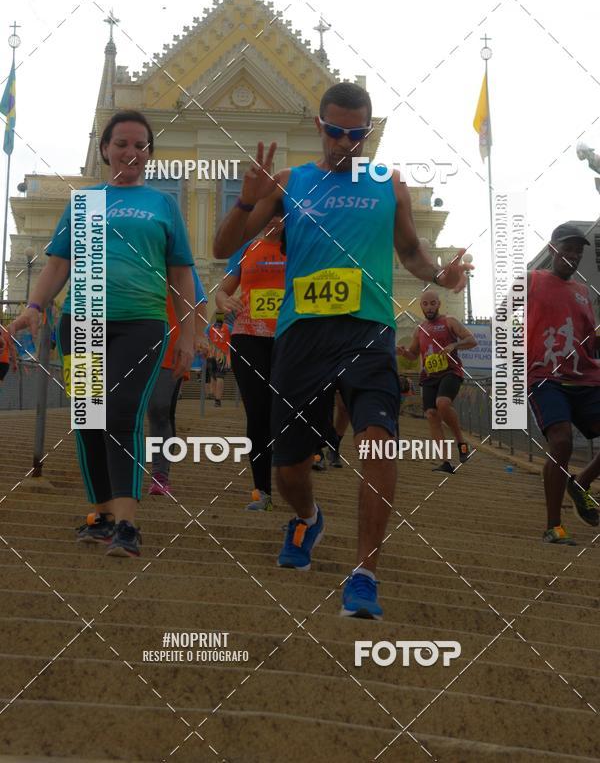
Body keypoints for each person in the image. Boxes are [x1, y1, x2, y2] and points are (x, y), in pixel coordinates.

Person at [213, 82, 470, 619]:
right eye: (335, 132)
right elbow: (221, 247)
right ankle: (306, 516)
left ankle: (365, 573)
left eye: (355, 135)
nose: (344, 144)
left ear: (368, 133)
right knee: (289, 466)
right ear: (319, 127)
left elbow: (412, 253)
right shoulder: (291, 182)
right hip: (301, 336)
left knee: (377, 441)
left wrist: (441, 275)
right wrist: (245, 199)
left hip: (366, 330)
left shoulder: (388, 185)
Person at [9, 110, 195, 558]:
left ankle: (128, 523)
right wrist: (34, 306)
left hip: (143, 321)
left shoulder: (162, 204)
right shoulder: (85, 201)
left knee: (122, 411)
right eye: (122, 144)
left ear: (149, 153)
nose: (131, 152)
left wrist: (188, 335)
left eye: (140, 145)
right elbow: (58, 262)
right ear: (105, 150)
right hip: (84, 318)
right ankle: (101, 515)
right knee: (89, 418)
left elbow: (181, 274)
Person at [528, 223, 600, 544]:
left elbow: (590, 341)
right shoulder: (532, 281)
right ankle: (553, 526)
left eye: (577, 250)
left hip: (583, 377)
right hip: (545, 376)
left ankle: (581, 483)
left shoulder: (584, 293)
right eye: (566, 248)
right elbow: (503, 315)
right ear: (553, 248)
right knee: (562, 441)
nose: (571, 254)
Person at [215, 216, 286, 510]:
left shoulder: (299, 246)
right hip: (248, 337)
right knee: (257, 414)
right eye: (267, 214)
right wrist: (222, 300)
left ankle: (297, 474)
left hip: (290, 338)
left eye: (279, 214)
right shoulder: (247, 248)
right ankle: (262, 490)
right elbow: (223, 290)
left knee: (289, 412)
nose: (273, 220)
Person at [397, 289, 477, 474]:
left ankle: (461, 443)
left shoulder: (449, 321)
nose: (429, 307)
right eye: (425, 304)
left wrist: (454, 345)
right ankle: (445, 462)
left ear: (438, 304)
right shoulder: (419, 330)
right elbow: (413, 355)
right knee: (432, 415)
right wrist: (403, 352)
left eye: (433, 303)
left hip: (450, 372)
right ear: (421, 307)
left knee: (442, 403)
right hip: (429, 376)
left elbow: (472, 340)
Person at [147, 268, 207, 496]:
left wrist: (199, 336)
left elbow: (200, 301)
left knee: (159, 408)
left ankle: (160, 474)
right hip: (133, 343)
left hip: (171, 346)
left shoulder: (180, 263)